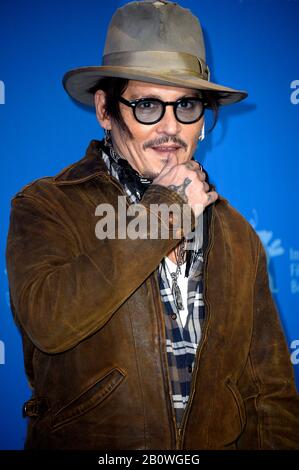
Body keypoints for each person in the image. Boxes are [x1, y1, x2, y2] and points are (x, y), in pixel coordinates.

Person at [6, 0, 299, 450]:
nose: (170, 128)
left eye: (186, 105)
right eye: (146, 106)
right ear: (105, 110)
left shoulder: (237, 234)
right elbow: (51, 323)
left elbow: (269, 393)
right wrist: (166, 211)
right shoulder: (46, 205)